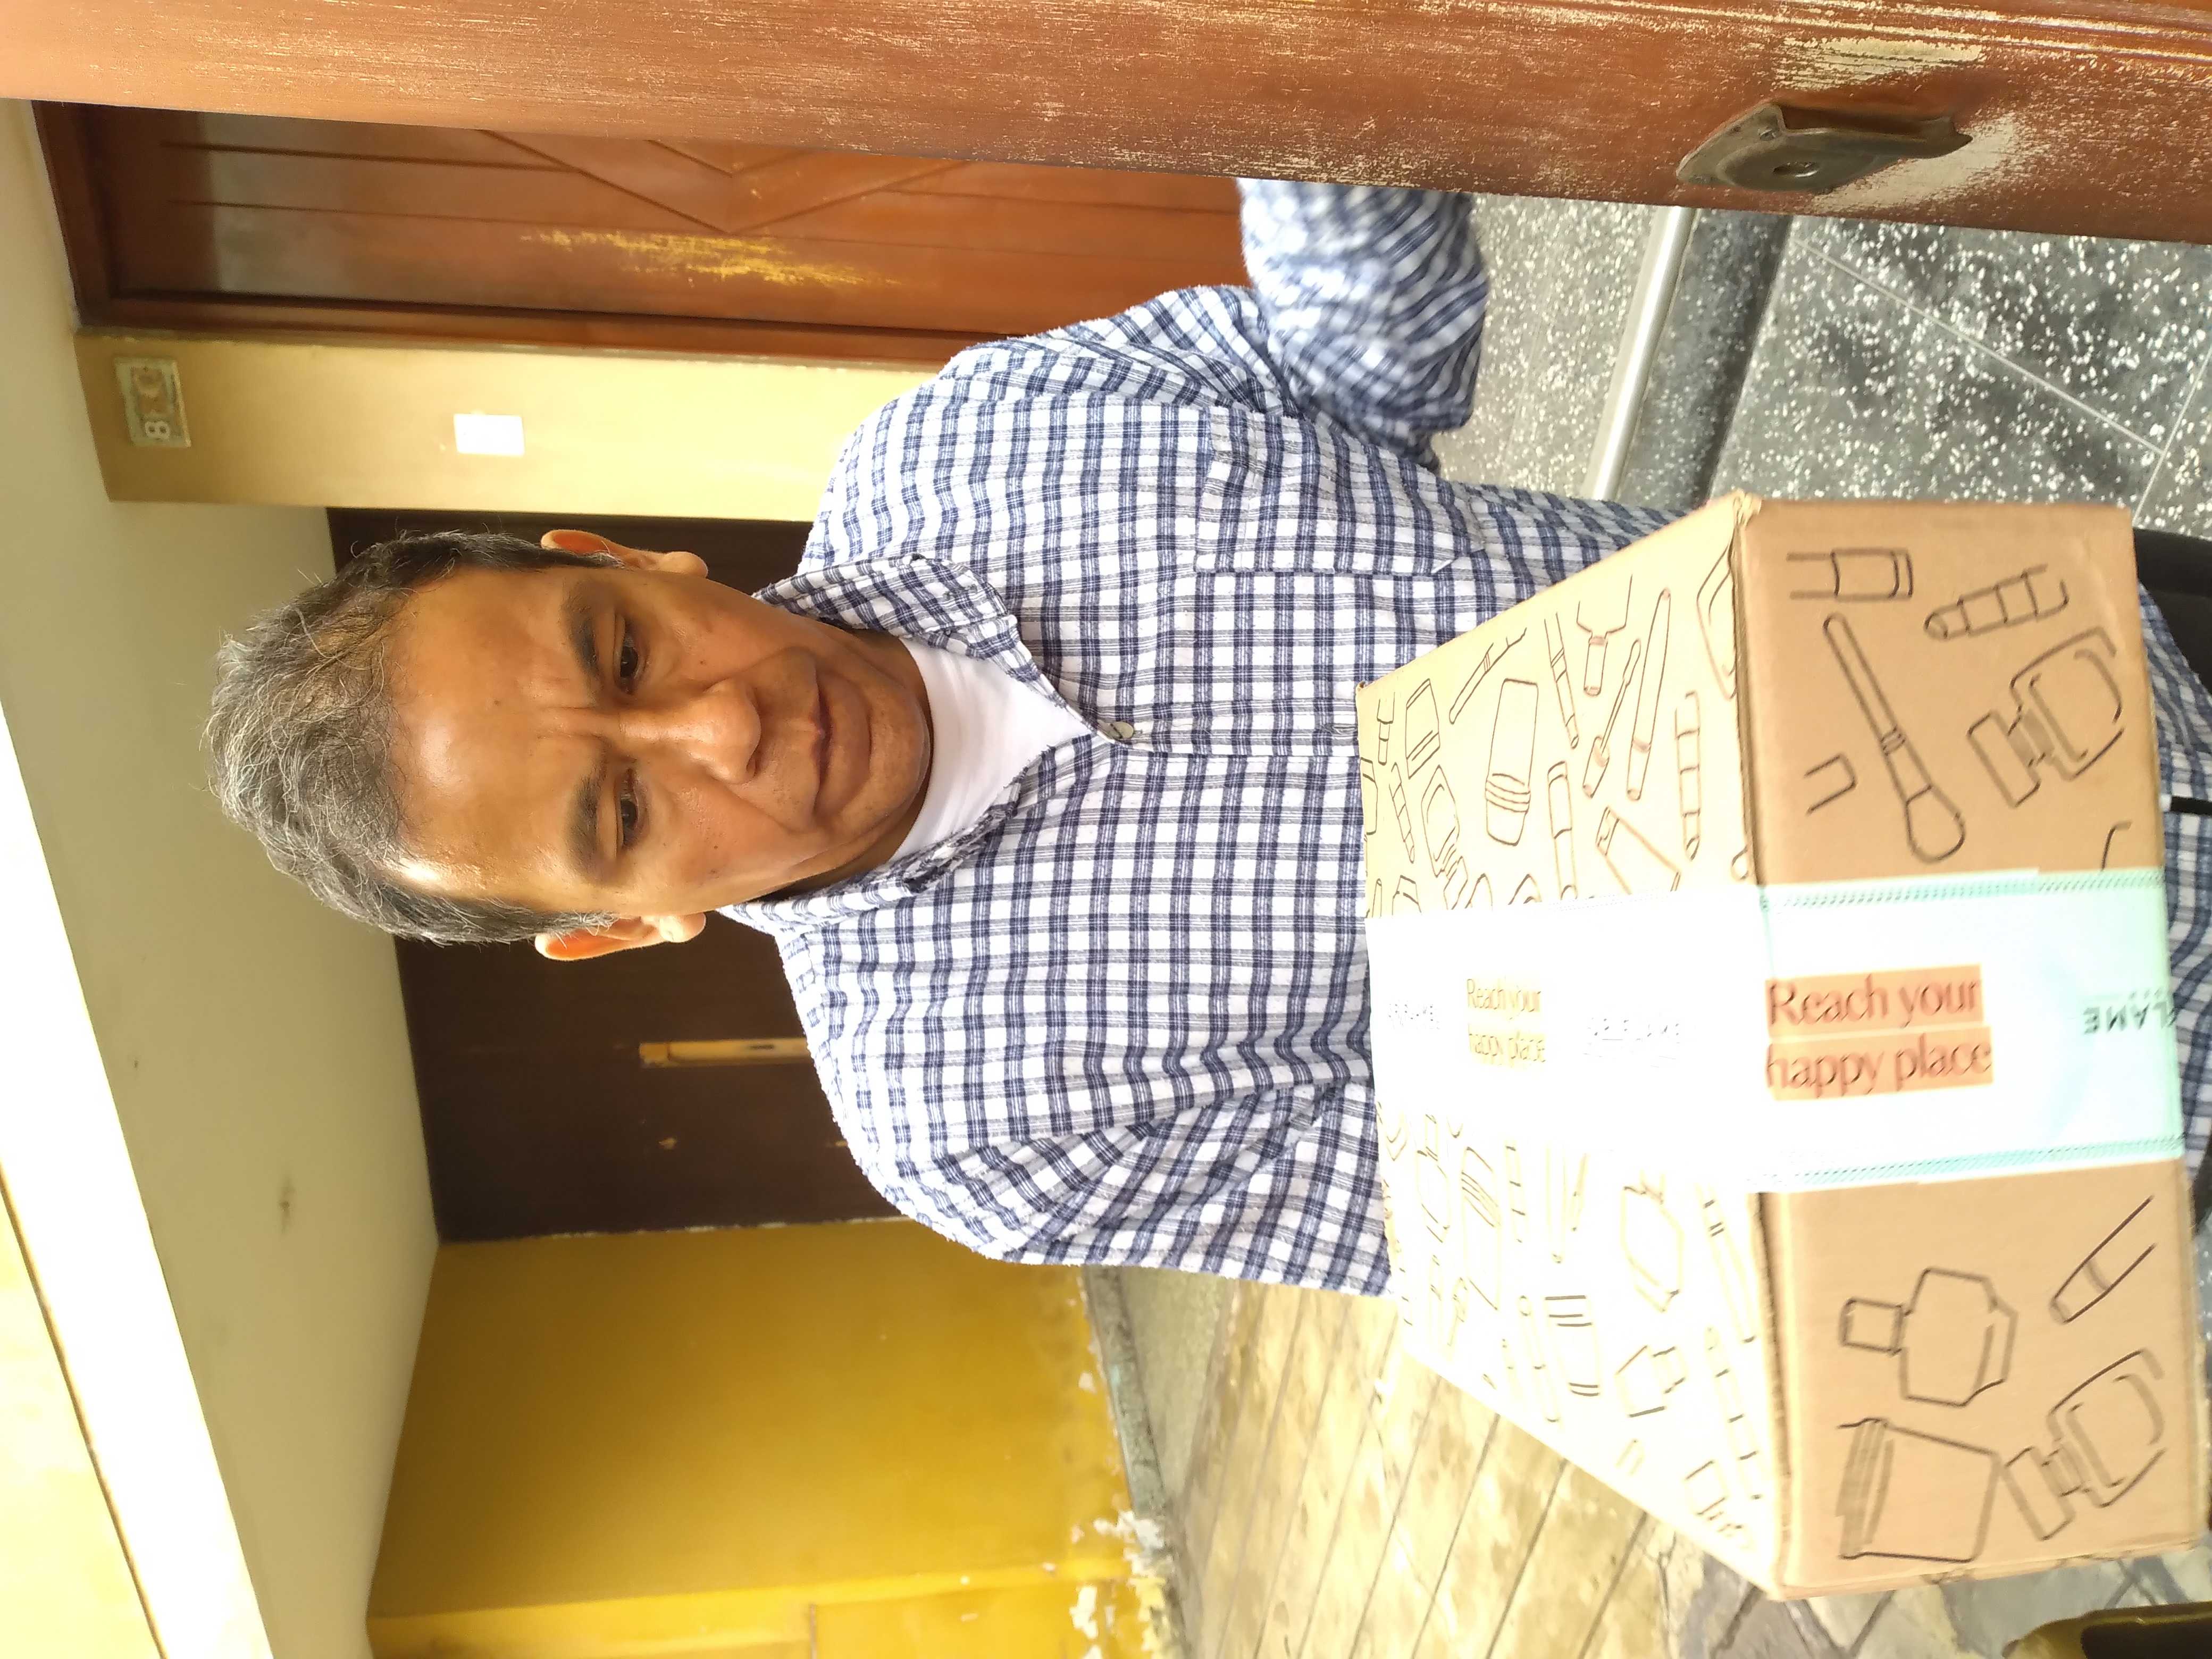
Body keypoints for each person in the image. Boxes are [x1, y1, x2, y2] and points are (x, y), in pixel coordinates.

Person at [208, 182, 2212, 1292]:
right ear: (619, 928)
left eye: (623, 644)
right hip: (2123, 1052)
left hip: (2076, 644)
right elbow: (1541, 1230)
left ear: (620, 554)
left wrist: (1300, 110)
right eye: (624, 807)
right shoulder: (976, 1128)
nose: (727, 716)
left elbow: (1365, 359)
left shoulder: (966, 441)